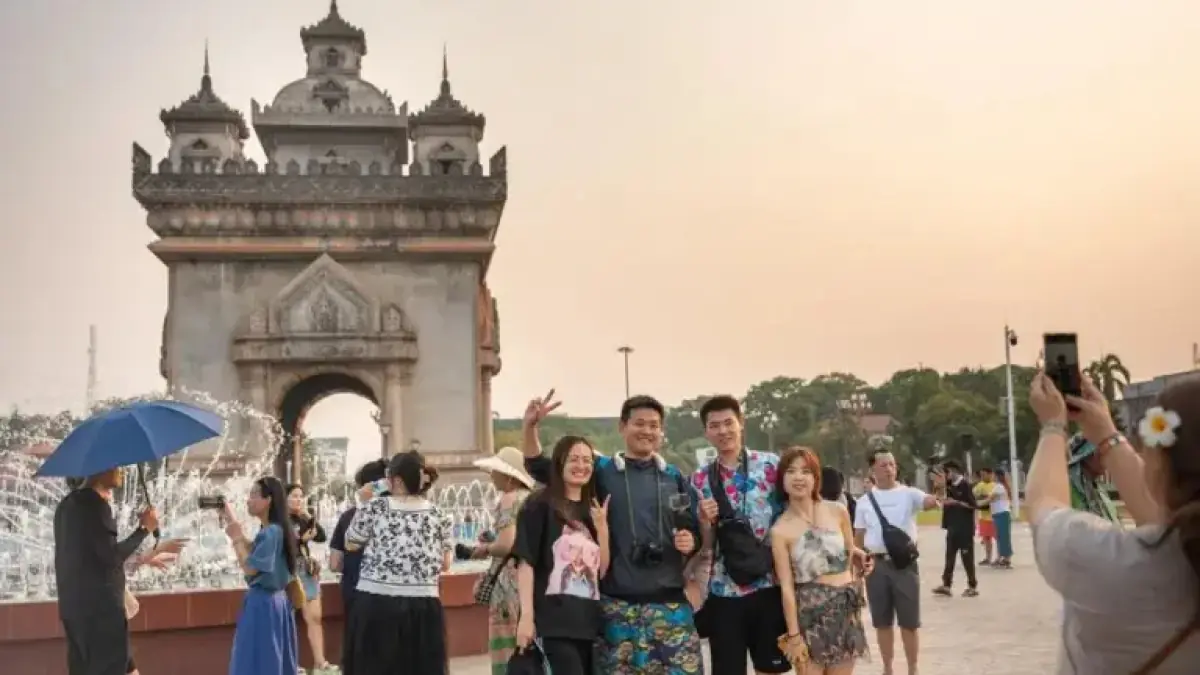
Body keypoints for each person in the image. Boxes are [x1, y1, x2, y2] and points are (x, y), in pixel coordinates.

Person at [1026, 370, 1200, 673]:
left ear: (1160, 463)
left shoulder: (1114, 563)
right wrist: (1105, 434)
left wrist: (1053, 426)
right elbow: (1160, 512)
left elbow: (1043, 505)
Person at [521, 390, 703, 674]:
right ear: (622, 427)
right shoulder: (601, 470)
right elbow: (540, 467)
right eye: (639, 423)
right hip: (616, 607)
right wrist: (530, 427)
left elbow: (692, 529)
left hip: (669, 605)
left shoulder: (674, 477)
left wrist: (690, 540)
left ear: (661, 432)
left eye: (654, 425)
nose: (647, 431)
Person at [53, 467, 185, 675]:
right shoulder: (95, 505)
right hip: (102, 614)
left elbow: (90, 558)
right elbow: (111, 556)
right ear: (102, 468)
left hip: (75, 610)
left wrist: (142, 558)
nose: (121, 471)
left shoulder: (66, 506)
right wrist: (144, 529)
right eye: (117, 466)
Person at [692, 395, 790, 675]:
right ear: (706, 431)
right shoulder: (699, 479)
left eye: (728, 423)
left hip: (769, 585)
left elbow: (796, 517)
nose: (723, 431)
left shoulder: (771, 466)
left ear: (741, 423)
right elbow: (705, 546)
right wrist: (704, 522)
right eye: (714, 426)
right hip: (724, 590)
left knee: (771, 669)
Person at [343, 450, 453, 675]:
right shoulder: (440, 514)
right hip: (424, 606)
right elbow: (446, 563)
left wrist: (362, 502)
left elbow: (351, 543)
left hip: (377, 602)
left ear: (398, 480)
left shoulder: (376, 507)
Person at [513, 436, 609, 674]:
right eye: (574, 459)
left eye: (587, 460)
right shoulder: (539, 505)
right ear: (559, 463)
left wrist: (603, 530)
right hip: (552, 623)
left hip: (588, 624)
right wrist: (526, 617)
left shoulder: (593, 509)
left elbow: (601, 572)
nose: (581, 466)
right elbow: (525, 562)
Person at [772, 447, 870, 674]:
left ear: (815, 478)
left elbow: (849, 556)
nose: (798, 477)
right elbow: (786, 588)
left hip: (845, 613)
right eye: (791, 471)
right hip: (809, 618)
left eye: (805, 471)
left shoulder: (838, 511)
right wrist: (794, 636)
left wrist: (862, 560)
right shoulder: (780, 530)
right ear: (782, 480)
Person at [853, 450, 941, 675]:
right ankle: (888, 668)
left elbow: (930, 502)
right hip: (876, 565)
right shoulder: (864, 502)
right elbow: (858, 537)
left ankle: (912, 668)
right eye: (883, 465)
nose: (889, 469)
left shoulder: (909, 494)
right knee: (882, 622)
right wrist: (857, 570)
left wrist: (939, 488)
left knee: (909, 622)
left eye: (892, 464)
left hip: (904, 565)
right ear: (873, 470)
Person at [223, 476, 301, 675]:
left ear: (268, 500)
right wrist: (231, 518)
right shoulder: (275, 530)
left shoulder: (271, 533)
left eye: (254, 495)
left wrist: (236, 539)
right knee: (271, 660)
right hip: (276, 602)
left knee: (257, 662)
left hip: (263, 604)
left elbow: (250, 568)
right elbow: (254, 549)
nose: (249, 500)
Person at [470, 446, 536, 672]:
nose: (491, 476)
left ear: (509, 477)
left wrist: (485, 549)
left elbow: (506, 545)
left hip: (508, 581)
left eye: (495, 472)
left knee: (507, 642)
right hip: (528, 578)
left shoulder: (509, 499)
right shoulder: (532, 498)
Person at [329, 459, 388, 666]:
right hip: (391, 594)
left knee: (358, 649)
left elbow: (335, 563)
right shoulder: (398, 516)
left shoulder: (349, 517)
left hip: (356, 591)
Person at [286, 484, 334, 674]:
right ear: (284, 498)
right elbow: (280, 545)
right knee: (287, 620)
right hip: (287, 571)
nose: (298, 500)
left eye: (301, 496)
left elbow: (321, 536)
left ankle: (320, 662)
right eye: (294, 496)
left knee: (314, 617)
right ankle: (292, 664)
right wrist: (301, 541)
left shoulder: (302, 518)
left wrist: (306, 514)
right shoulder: (277, 519)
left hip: (305, 570)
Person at [932, 460, 979, 598]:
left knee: (967, 558)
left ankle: (972, 585)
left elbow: (972, 505)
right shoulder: (948, 485)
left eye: (946, 472)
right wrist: (939, 487)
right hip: (952, 527)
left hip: (964, 528)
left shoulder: (965, 485)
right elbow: (939, 497)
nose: (945, 475)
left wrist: (956, 503)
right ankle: (946, 585)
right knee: (949, 558)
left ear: (953, 471)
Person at [1067, 434, 1123, 524]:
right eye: (1099, 452)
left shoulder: (1099, 492)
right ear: (1086, 455)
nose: (1105, 456)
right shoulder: (1069, 491)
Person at [988, 469, 1015, 568]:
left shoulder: (999, 486)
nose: (992, 477)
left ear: (997, 476)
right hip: (998, 514)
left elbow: (991, 498)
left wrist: (977, 503)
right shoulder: (999, 486)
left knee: (1004, 537)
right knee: (999, 537)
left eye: (993, 475)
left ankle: (1007, 558)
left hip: (1002, 514)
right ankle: (1000, 557)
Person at [972, 468, 997, 565]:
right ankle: (988, 558)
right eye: (981, 475)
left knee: (998, 538)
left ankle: (1000, 557)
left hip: (994, 516)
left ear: (991, 474)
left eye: (984, 474)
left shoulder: (995, 486)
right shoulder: (979, 485)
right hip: (984, 517)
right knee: (986, 539)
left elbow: (993, 498)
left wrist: (985, 498)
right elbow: (973, 495)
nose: (982, 477)